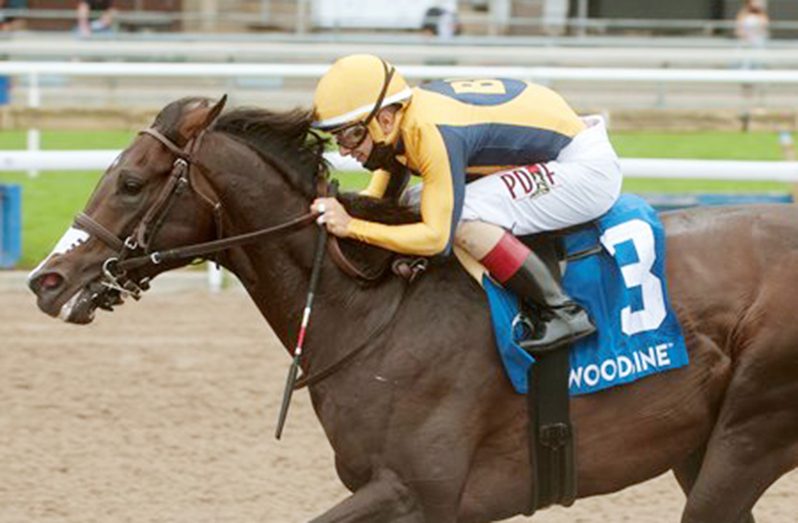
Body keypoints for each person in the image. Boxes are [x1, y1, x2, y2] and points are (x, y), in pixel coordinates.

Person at [310, 54, 622, 351]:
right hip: (556, 145)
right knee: (413, 201)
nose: (345, 150)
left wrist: (352, 226)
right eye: (338, 139)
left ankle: (561, 312)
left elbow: (436, 237)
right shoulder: (405, 118)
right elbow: (385, 191)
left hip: (584, 170)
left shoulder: (430, 130)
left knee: (460, 216)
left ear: (386, 120)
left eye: (351, 135)